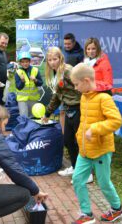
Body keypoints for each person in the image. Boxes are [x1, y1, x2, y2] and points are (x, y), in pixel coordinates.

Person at [70, 63, 122, 224]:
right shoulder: (83, 97)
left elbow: (116, 121)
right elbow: (84, 120)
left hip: (101, 150)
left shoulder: (104, 98)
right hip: (85, 150)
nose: (75, 88)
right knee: (78, 179)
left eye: (76, 84)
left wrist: (95, 129)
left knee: (104, 182)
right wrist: (80, 136)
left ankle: (117, 208)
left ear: (86, 80)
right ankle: (87, 213)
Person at [41, 47, 93, 183]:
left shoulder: (69, 70)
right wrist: (47, 113)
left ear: (61, 58)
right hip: (68, 109)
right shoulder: (56, 73)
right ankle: (76, 167)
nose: (52, 62)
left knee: (80, 141)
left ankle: (87, 174)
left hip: (79, 108)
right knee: (68, 141)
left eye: (55, 59)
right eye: (50, 60)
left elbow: (85, 86)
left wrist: (89, 105)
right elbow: (57, 96)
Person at [14, 51, 43, 117]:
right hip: (22, 100)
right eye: (23, 62)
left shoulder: (35, 70)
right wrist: (22, 81)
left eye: (26, 62)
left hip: (33, 98)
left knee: (33, 116)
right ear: (20, 63)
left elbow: (40, 83)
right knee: (24, 117)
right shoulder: (18, 72)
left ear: (30, 62)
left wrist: (35, 80)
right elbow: (18, 87)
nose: (25, 64)